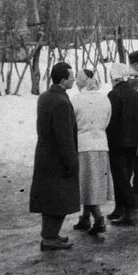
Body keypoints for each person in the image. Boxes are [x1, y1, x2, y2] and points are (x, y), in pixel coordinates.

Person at [30, 62, 80, 251]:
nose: (73, 79)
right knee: (60, 199)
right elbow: (64, 135)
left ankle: (50, 234)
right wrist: (71, 161)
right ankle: (50, 238)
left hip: (45, 154)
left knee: (50, 199)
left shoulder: (45, 97)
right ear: (63, 80)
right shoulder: (61, 102)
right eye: (71, 76)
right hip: (58, 158)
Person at [71, 69, 113, 236]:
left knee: (87, 184)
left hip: (83, 146)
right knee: (93, 184)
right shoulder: (105, 99)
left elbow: (72, 122)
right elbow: (107, 120)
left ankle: (98, 218)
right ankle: (85, 218)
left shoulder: (76, 100)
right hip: (101, 145)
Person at [106, 62, 138, 227]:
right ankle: (120, 208)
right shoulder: (135, 94)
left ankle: (128, 211)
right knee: (126, 175)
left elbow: (111, 120)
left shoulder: (113, 95)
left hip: (117, 142)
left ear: (114, 78)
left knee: (120, 177)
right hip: (133, 141)